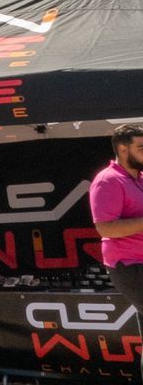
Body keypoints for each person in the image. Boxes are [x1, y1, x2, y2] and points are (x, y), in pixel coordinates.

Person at [90, 123, 143, 309]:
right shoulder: (108, 180)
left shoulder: (139, 177)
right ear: (123, 149)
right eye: (141, 148)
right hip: (130, 264)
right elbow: (105, 227)